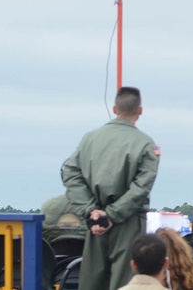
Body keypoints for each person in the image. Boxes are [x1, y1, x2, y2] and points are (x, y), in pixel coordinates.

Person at [62, 86, 160, 290]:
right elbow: (141, 187)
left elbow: (70, 173)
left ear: (115, 108)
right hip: (128, 222)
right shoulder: (146, 144)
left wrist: (91, 211)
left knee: (91, 281)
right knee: (125, 283)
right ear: (140, 111)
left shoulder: (89, 138)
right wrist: (112, 215)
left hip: (95, 222)